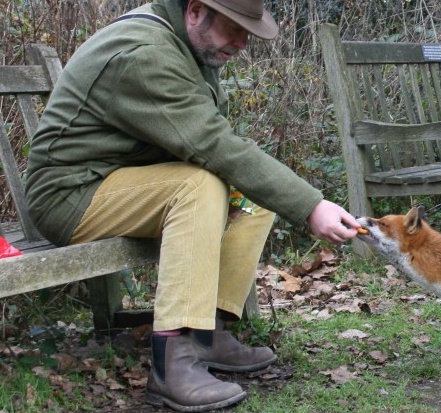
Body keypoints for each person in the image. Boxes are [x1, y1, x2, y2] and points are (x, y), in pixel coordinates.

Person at [24, 0, 360, 411]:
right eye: (233, 28)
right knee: (198, 184)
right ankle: (173, 363)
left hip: (121, 183)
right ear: (196, 11)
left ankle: (208, 336)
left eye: (247, 32)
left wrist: (297, 199)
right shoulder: (145, 55)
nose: (242, 43)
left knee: (252, 198)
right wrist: (311, 206)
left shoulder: (181, 40)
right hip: (69, 196)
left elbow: (210, 142)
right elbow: (213, 145)